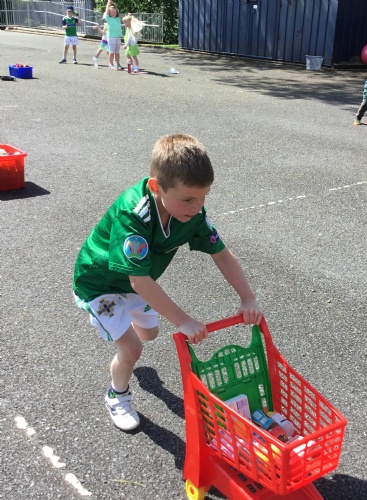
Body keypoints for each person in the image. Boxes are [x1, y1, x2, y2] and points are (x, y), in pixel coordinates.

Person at [73, 134, 263, 431]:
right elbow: (139, 280)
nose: (197, 206)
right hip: (100, 284)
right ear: (155, 187)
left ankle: (125, 330)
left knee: (150, 333)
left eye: (204, 197)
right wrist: (184, 320)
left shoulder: (192, 213)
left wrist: (247, 297)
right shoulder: (133, 214)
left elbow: (222, 254)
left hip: (137, 281)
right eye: (188, 199)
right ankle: (117, 394)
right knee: (133, 349)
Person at [103, 0, 123, 70]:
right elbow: (106, 10)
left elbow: (116, 8)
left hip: (118, 37)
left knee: (117, 52)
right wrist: (109, 3)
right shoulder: (108, 18)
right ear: (109, 13)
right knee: (111, 52)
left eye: (114, 12)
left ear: (116, 12)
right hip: (111, 37)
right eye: (111, 12)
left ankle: (117, 64)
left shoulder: (117, 18)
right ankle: (110, 64)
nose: (113, 13)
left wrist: (113, 4)